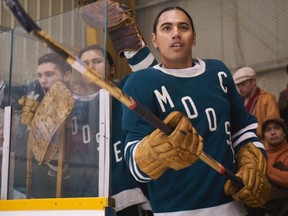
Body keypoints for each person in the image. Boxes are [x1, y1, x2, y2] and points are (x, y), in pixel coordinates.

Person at [121, 6, 271, 215]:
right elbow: (133, 162)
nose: (176, 33)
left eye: (183, 27)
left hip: (231, 208)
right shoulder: (139, 83)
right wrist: (155, 152)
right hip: (173, 210)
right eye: (167, 28)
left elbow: (242, 130)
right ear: (154, 40)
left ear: (194, 37)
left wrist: (251, 163)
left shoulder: (218, 72)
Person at [233, 66, 280, 139]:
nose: (240, 88)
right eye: (238, 85)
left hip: (264, 142)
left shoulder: (268, 98)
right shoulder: (238, 103)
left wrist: (248, 132)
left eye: (243, 84)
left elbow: (272, 123)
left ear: (253, 81)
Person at [261, 116, 288, 216]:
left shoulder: (262, 161)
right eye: (268, 130)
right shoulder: (261, 155)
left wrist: (266, 168)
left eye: (277, 128)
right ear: (264, 137)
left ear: (284, 133)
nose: (273, 132)